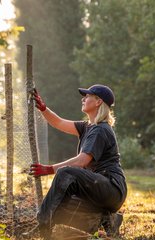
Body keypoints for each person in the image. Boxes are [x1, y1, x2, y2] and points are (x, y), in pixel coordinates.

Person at [25, 84, 127, 239]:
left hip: (111, 187)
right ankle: (108, 220)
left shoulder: (100, 129)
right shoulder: (88, 127)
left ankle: (43, 225)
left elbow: (82, 161)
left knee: (66, 172)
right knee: (59, 203)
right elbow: (59, 123)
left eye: (87, 96)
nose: (83, 99)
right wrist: (44, 109)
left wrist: (49, 169)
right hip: (98, 188)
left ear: (98, 101)